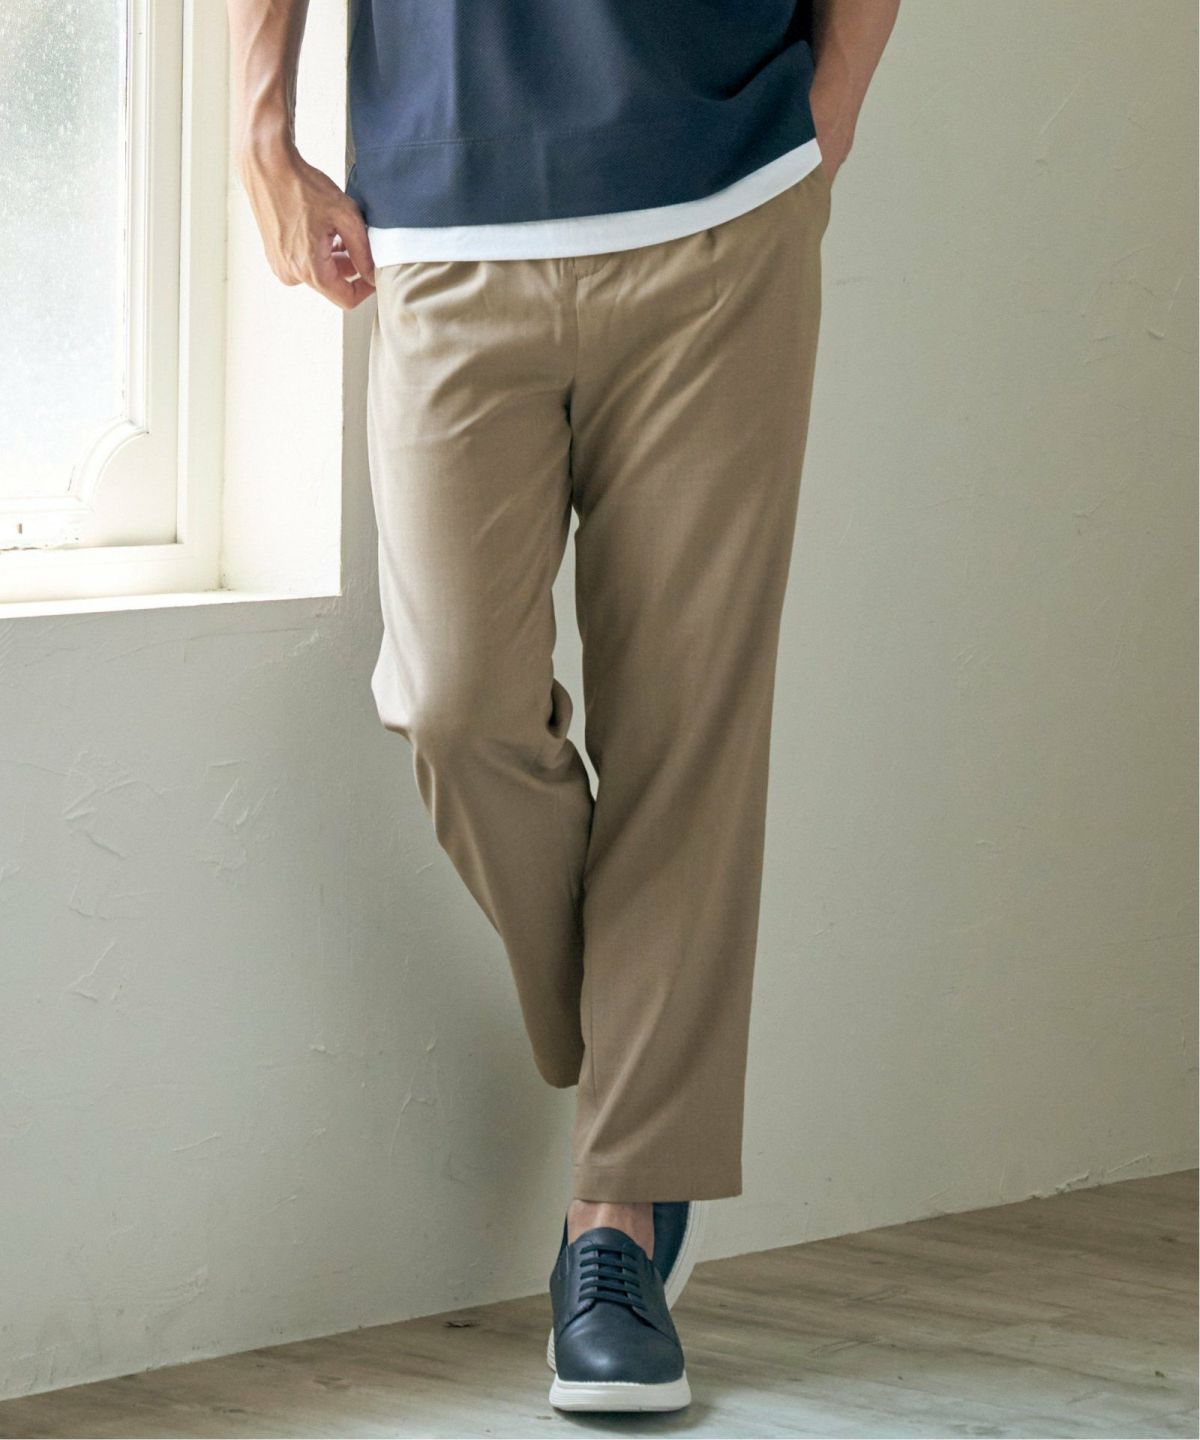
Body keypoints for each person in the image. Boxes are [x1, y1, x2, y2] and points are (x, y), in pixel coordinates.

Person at [227, 0, 899, 1413]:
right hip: (444, 210)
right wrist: (260, 123)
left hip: (724, 200)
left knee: (685, 737)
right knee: (453, 705)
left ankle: (618, 1220)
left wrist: (834, 97)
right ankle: (639, 1071)